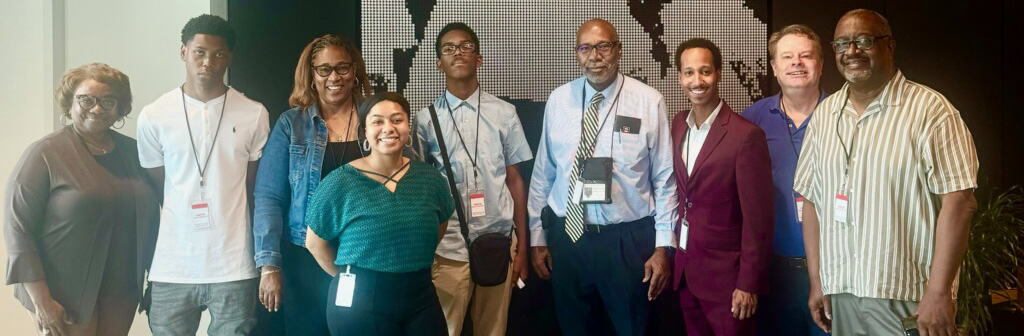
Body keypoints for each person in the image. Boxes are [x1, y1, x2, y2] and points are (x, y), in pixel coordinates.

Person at [794, 9, 978, 335]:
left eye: (863, 41)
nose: (851, 52)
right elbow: (811, 201)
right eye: (842, 44)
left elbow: (959, 201)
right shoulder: (825, 115)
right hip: (843, 292)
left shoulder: (931, 111)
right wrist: (817, 280)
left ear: (889, 46)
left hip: (909, 298)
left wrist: (938, 292)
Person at [527, 18, 678, 336]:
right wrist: (538, 238)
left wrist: (663, 247)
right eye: (585, 48)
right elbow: (544, 173)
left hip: (626, 241)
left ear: (618, 50)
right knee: (574, 328)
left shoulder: (648, 101)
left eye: (603, 46)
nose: (594, 55)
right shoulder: (558, 101)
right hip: (568, 239)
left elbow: (665, 180)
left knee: (632, 327)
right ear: (577, 54)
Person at [136, 14, 270, 335]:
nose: (208, 61)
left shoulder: (254, 113)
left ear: (229, 58)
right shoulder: (154, 115)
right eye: (199, 52)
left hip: (234, 263)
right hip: (172, 266)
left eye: (218, 54)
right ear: (184, 52)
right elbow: (158, 186)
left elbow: (253, 187)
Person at [4, 63, 159, 336]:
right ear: (70, 102)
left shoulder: (135, 153)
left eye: (108, 101)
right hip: (62, 293)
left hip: (121, 290)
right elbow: (17, 229)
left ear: (120, 107)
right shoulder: (44, 154)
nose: (97, 108)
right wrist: (41, 300)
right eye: (86, 99)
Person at [414, 22, 532, 336]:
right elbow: (422, 188)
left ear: (478, 58)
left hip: (499, 241)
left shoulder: (504, 112)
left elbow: (516, 180)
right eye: (448, 48)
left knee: (493, 330)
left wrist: (522, 248)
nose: (458, 53)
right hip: (448, 247)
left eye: (465, 46)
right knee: (446, 330)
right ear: (439, 62)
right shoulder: (426, 120)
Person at [252, 33, 372, 335]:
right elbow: (268, 197)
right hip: (304, 258)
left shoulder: (376, 118)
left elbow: (403, 178)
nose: (335, 77)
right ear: (311, 75)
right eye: (324, 69)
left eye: (343, 68)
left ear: (355, 71)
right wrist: (269, 265)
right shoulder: (291, 124)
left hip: (367, 254)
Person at [305, 92, 454, 336]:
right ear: (365, 131)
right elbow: (314, 243)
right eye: (377, 121)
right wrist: (353, 275)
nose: (388, 128)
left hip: (421, 296)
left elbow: (438, 226)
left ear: (408, 126)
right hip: (360, 301)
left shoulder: (429, 179)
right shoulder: (340, 182)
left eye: (397, 120)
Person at [670, 38, 774, 336]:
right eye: (689, 73)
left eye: (705, 71)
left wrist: (748, 283)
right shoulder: (678, 125)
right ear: (680, 78)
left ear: (718, 74)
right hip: (687, 273)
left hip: (729, 282)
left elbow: (758, 221)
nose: (697, 81)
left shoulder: (745, 136)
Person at [739, 24, 829, 336]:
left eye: (806, 55)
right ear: (775, 68)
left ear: (820, 63)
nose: (797, 63)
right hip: (773, 273)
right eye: (787, 57)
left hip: (834, 272)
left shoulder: (844, 117)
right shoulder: (751, 121)